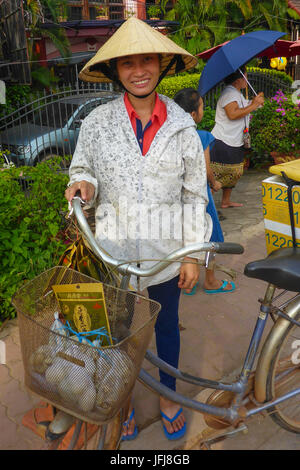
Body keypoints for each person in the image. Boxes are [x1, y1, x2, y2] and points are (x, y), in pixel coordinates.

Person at [65, 18, 212, 441]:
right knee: (120, 332)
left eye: (146, 59)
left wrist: (191, 253)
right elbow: (82, 168)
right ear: (115, 71)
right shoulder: (97, 123)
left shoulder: (183, 126)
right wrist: (84, 184)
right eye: (127, 63)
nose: (138, 70)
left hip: (167, 252)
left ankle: (169, 396)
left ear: (161, 65)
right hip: (114, 250)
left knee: (166, 328)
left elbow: (193, 195)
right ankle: (123, 398)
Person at [174, 87, 235, 294]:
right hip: (200, 198)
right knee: (210, 238)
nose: (203, 109)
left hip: (178, 198)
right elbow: (206, 169)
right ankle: (210, 281)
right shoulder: (201, 136)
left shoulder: (170, 135)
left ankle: (186, 282)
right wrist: (215, 183)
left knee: (183, 236)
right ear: (193, 114)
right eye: (202, 106)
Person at [210, 66, 264, 208]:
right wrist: (254, 105)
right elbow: (233, 114)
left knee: (234, 173)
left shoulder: (236, 94)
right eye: (245, 75)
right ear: (239, 79)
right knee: (218, 174)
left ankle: (226, 201)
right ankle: (204, 204)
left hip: (234, 140)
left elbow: (243, 108)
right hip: (224, 140)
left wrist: (255, 103)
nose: (247, 79)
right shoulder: (229, 94)